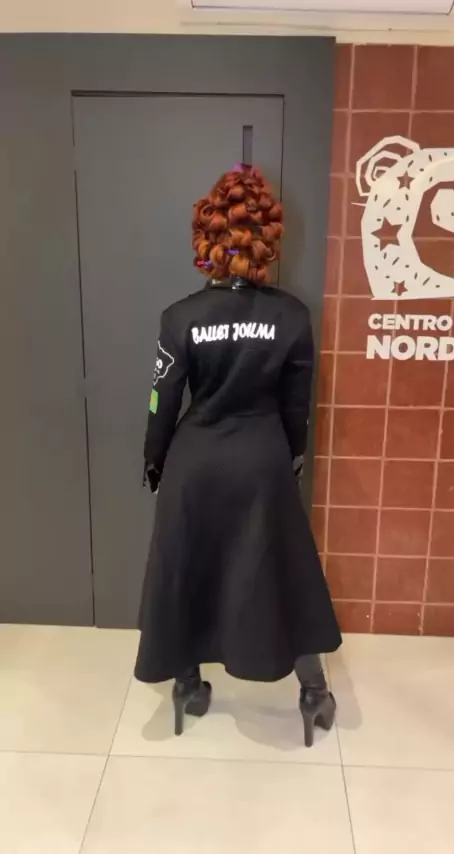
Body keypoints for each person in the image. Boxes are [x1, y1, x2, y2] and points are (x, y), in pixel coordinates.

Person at [135, 164, 342, 748]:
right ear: (264, 239)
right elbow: (297, 407)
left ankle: (188, 685)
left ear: (207, 239)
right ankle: (313, 693)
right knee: (280, 573)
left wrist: (154, 458)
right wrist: (290, 458)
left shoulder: (179, 317)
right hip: (262, 461)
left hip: (195, 462)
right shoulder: (291, 316)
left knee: (186, 567)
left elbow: (162, 398)